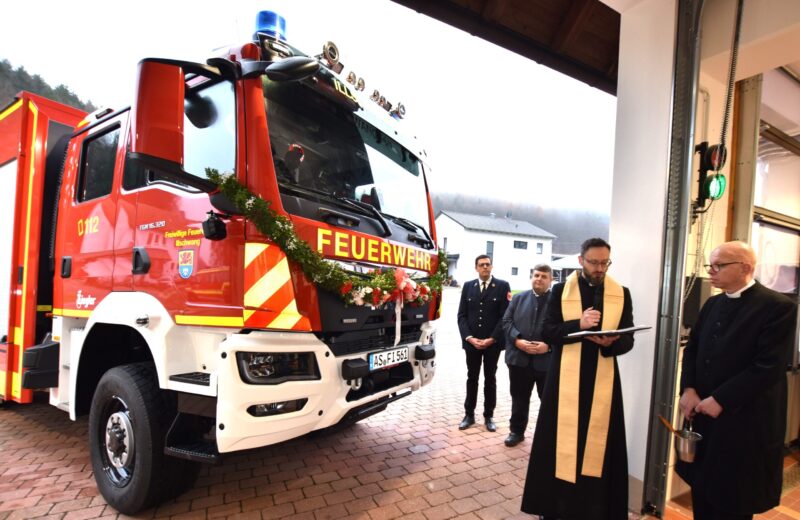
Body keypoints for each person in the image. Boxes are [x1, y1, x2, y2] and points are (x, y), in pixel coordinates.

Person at [676, 241, 795, 520]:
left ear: (745, 267)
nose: (711, 272)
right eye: (710, 265)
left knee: (733, 496)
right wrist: (689, 388)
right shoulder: (713, 303)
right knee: (703, 488)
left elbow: (768, 366)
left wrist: (721, 399)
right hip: (703, 413)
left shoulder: (777, 307)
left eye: (719, 266)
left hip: (744, 420)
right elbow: (693, 348)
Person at [522, 238, 635, 520]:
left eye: (605, 263)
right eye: (594, 262)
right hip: (565, 382)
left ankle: (595, 507)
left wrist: (613, 343)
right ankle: (555, 507)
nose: (600, 268)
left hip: (603, 381)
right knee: (558, 444)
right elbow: (548, 332)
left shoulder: (621, 293)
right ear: (580, 260)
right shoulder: (561, 291)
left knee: (599, 446)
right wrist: (579, 325)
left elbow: (628, 339)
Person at [457, 254, 511, 432]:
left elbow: (505, 316)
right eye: (481, 265)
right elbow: (462, 316)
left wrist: (492, 339)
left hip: (492, 344)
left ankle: (489, 416)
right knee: (472, 378)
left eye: (488, 264)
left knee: (490, 379)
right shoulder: (468, 286)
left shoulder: (502, 286)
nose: (485, 267)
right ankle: (469, 414)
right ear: (476, 268)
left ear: (492, 267)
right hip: (472, 343)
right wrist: (469, 338)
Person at [501, 264, 553, 447]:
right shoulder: (518, 298)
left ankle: (547, 437)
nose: (539, 279)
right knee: (519, 398)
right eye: (536, 275)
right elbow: (506, 321)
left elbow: (563, 331)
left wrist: (549, 347)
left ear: (551, 280)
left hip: (546, 362)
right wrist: (517, 341)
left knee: (548, 402)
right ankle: (516, 431)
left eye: (543, 276)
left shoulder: (558, 302)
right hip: (519, 361)